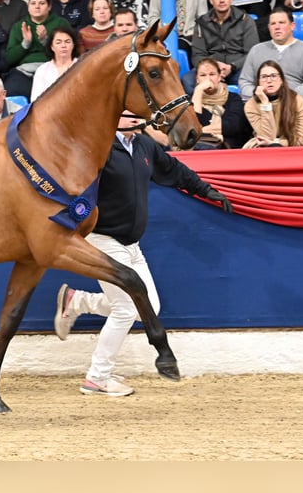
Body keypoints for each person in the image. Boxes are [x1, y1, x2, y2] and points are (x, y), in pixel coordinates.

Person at [53, 110, 232, 397]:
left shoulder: (145, 145)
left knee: (150, 309)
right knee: (127, 309)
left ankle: (79, 301)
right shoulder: (99, 148)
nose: (135, 119)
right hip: (104, 241)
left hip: (133, 245)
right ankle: (97, 377)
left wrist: (206, 191)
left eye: (137, 115)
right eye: (127, 115)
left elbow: (175, 170)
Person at [238, 7, 303, 110]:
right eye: (273, 24)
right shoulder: (256, 50)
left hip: (294, 105)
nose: (277, 27)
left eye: (281, 23)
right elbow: (245, 82)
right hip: (261, 104)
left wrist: (287, 100)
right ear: (269, 28)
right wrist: (260, 97)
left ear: (292, 26)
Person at [182, 0, 259, 94]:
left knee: (249, 79)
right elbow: (197, 55)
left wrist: (232, 67)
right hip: (210, 68)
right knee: (187, 80)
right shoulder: (202, 22)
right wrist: (214, 68)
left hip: (237, 68)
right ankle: (202, 109)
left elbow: (252, 53)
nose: (222, 0)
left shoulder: (246, 20)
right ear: (211, 1)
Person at [4, 0, 69, 100]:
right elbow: (9, 59)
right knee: (11, 94)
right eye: (33, 3)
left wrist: (46, 41)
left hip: (53, 69)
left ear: (49, 7)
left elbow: (68, 53)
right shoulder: (19, 26)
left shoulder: (60, 24)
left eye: (42, 3)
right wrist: (25, 43)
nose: (37, 7)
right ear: (28, 7)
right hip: (24, 72)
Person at [243, 60, 303, 148]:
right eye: (264, 77)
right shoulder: (251, 105)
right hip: (263, 148)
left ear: (281, 80)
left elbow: (301, 139)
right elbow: (267, 136)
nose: (269, 80)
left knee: (275, 146)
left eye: (273, 76)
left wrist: (277, 142)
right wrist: (265, 103)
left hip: (292, 148)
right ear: (258, 82)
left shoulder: (296, 100)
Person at [191, 57, 250, 149]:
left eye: (212, 74)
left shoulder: (233, 98)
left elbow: (233, 126)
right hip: (199, 149)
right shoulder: (191, 100)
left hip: (230, 149)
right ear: (197, 79)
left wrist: (201, 130)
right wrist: (198, 91)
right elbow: (192, 124)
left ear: (219, 77)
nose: (208, 79)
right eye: (203, 75)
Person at [30, 24, 79, 102]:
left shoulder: (81, 65)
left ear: (73, 45)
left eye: (67, 42)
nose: (63, 45)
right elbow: (35, 101)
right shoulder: (42, 70)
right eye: (58, 42)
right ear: (52, 47)